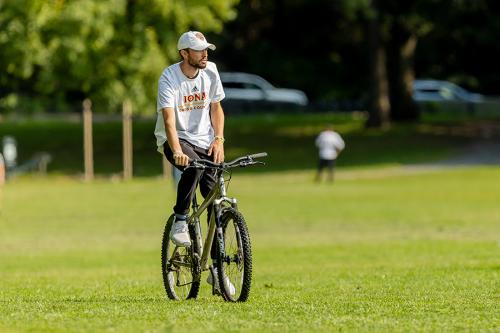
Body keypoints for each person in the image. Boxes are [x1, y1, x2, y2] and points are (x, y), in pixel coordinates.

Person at [154, 31, 233, 293]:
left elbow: (216, 108)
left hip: (205, 139)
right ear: (184, 54)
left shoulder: (211, 70)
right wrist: (176, 150)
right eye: (198, 50)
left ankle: (218, 272)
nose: (204, 54)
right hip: (176, 138)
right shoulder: (169, 77)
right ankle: (180, 218)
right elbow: (168, 120)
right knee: (192, 167)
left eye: (206, 49)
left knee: (215, 199)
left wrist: (219, 139)